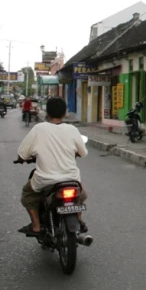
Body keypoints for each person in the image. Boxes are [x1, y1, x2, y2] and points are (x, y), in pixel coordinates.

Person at [16, 97, 89, 235]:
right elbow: (83, 152)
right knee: (81, 194)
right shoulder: (72, 129)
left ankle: (36, 226)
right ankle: (79, 218)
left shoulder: (39, 129)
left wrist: (23, 158)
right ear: (64, 113)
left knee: (28, 194)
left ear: (47, 113)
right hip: (71, 179)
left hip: (45, 179)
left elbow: (22, 153)